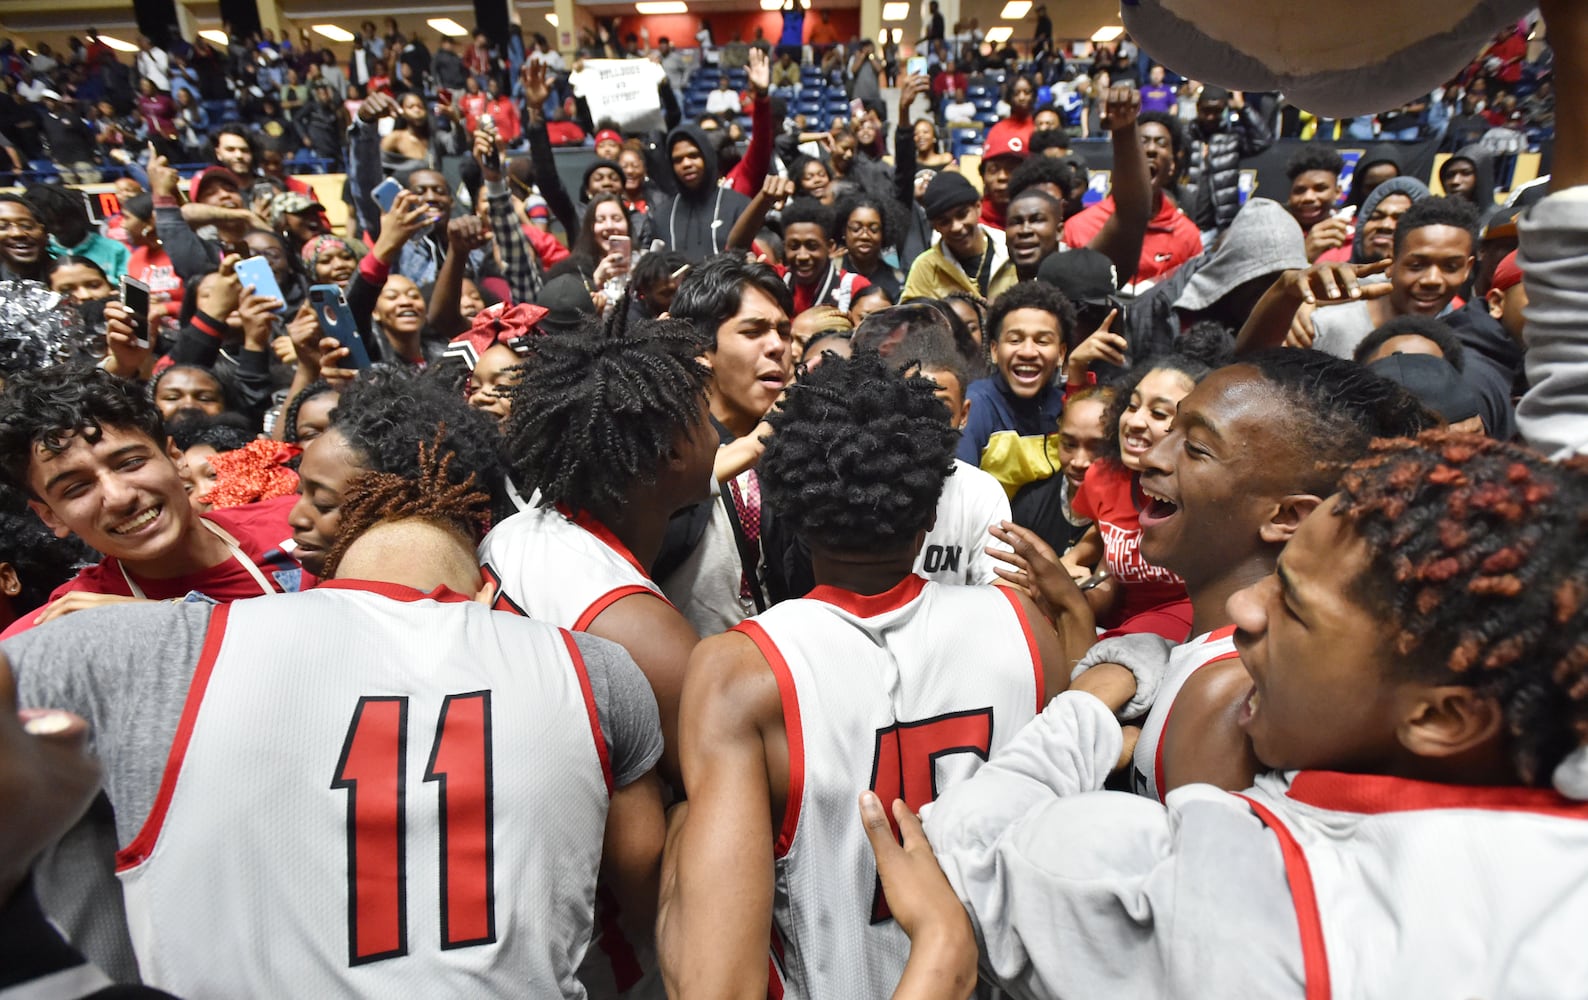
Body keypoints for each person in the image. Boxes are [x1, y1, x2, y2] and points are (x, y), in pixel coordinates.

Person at [924, 431, 1588, 999]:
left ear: (1444, 719)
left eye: (1292, 607)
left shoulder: (1245, 898)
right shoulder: (1551, 687)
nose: (1245, 610)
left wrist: (1096, 697)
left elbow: (971, 846)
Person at [0, 436, 666, 998]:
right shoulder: (594, 669)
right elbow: (645, 906)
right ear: (488, 587)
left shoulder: (136, 650)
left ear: (323, 561)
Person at [657, 350, 1066, 998]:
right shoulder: (1027, 628)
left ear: (791, 508)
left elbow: (716, 985)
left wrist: (679, 837)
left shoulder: (742, 672)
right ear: (932, 510)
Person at [0, 367, 304, 639]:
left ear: (175, 457)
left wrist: (165, 619)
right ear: (52, 517)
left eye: (130, 463)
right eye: (77, 487)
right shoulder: (67, 625)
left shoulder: (296, 526)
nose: (120, 497)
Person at [1241, 197, 1480, 361]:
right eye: (1417, 265)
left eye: (1451, 266)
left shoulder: (1466, 335)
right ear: (1392, 260)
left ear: (1468, 268)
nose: (1432, 279)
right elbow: (1251, 372)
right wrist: (1287, 299)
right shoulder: (1324, 326)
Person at [1063, 112, 1202, 288]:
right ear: (1124, 159)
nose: (1151, 150)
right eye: (1142, 141)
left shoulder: (1188, 236)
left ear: (1172, 165)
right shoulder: (1078, 228)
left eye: (1161, 143)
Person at [1181, 86, 1273, 240]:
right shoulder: (1185, 136)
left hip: (1218, 227)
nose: (1211, 116)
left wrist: (1242, 108)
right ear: (1197, 108)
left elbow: (1262, 140)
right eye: (1206, 110)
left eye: (1217, 111)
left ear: (1225, 109)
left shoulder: (1232, 138)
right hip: (1185, 223)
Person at [778, 199, 873, 314]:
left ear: (830, 247)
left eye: (812, 246)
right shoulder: (778, 279)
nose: (802, 256)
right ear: (784, 247)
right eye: (794, 246)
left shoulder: (854, 287)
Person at [1283, 148, 1350, 263]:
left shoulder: (1355, 235)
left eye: (1320, 189)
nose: (1308, 197)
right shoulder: (1275, 235)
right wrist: (1303, 256)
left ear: (1338, 192)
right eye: (1300, 190)